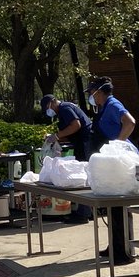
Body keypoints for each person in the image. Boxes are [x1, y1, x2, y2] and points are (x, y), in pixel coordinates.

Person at [86, 77, 138, 263]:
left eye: (91, 93)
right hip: (110, 166)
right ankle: (115, 246)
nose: (91, 97)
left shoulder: (113, 104)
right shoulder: (103, 108)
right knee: (113, 208)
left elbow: (130, 122)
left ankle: (124, 252)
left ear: (99, 92)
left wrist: (117, 144)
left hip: (119, 165)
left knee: (119, 207)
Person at [41, 93, 93, 224]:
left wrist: (57, 136)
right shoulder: (62, 112)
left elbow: (76, 125)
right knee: (85, 175)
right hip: (82, 143)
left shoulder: (65, 108)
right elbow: (69, 131)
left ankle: (84, 213)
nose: (49, 111)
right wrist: (53, 138)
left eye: (48, 107)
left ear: (53, 102)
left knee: (84, 176)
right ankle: (87, 210)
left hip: (86, 143)